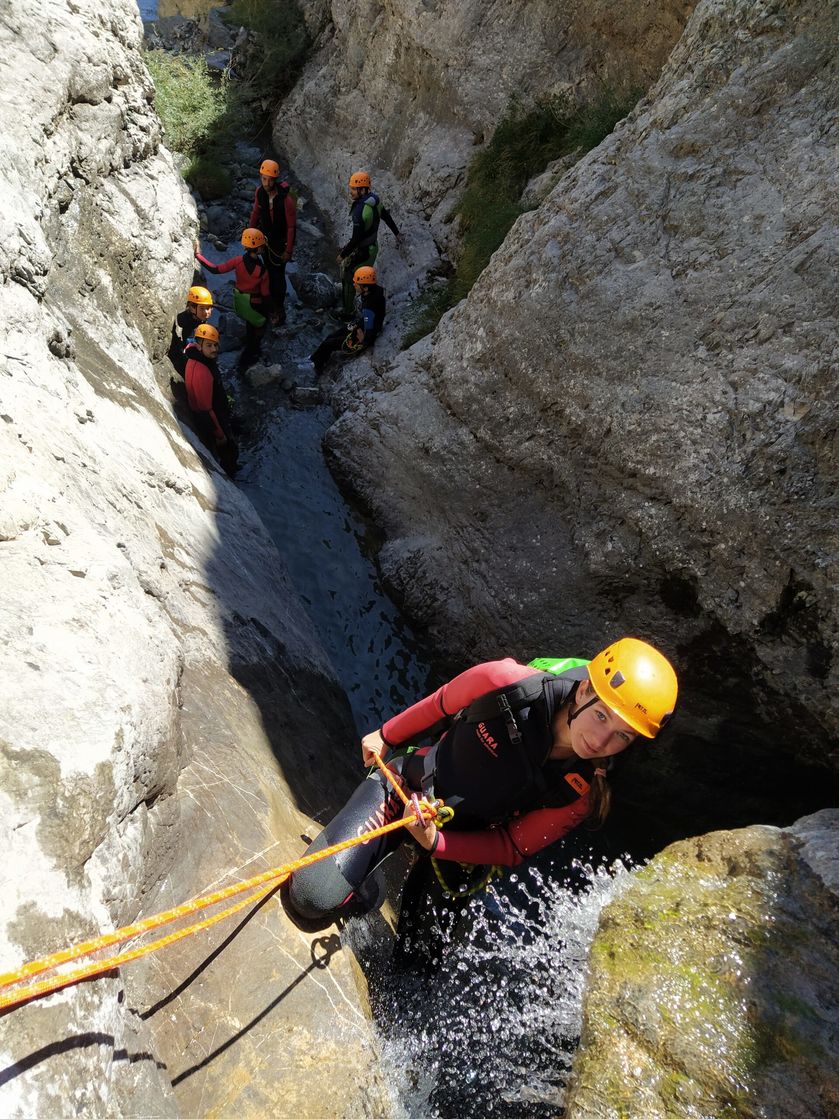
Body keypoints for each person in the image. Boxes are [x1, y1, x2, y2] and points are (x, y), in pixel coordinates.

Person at [286, 638, 678, 949]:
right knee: (310, 895)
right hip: (408, 787)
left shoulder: (581, 791)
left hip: (461, 844)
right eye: (601, 715)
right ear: (583, 691)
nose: (600, 740)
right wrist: (387, 735)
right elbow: (441, 704)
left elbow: (511, 846)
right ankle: (369, 892)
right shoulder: (507, 684)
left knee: (421, 960)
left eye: (622, 736)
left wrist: (437, 842)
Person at [195, 230, 270, 372]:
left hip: (240, 301)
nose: (263, 247)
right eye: (262, 245)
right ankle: (247, 361)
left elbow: (215, 269)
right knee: (259, 328)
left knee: (250, 327)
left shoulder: (238, 261)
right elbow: (265, 295)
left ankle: (250, 349)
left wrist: (198, 255)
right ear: (258, 248)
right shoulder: (262, 271)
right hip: (255, 304)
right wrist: (272, 311)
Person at [337, 171, 400, 317]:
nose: (350, 192)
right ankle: (366, 307)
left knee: (348, 277)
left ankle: (348, 313)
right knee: (363, 282)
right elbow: (386, 216)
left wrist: (342, 255)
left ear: (362, 189)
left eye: (353, 189)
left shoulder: (360, 210)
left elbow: (356, 239)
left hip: (364, 250)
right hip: (372, 248)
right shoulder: (374, 201)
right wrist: (396, 233)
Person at [305, 265, 386, 375]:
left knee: (330, 344)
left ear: (365, 288)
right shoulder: (373, 291)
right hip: (362, 324)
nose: (354, 285)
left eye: (357, 284)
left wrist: (363, 338)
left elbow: (370, 328)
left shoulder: (370, 305)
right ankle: (314, 358)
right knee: (331, 336)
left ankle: (317, 365)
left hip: (364, 334)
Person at [183, 323, 239, 475]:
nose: (214, 349)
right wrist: (219, 434)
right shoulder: (201, 370)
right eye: (209, 345)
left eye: (215, 345)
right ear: (199, 346)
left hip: (216, 411)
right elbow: (204, 408)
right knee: (230, 450)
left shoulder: (199, 360)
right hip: (213, 417)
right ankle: (230, 473)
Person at [249, 159, 297, 326]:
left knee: (278, 275)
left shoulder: (286, 200)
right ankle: (270, 303)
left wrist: (288, 251)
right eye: (264, 179)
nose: (267, 183)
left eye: (270, 179)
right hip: (266, 240)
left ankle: (279, 307)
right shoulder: (259, 192)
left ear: (275, 179)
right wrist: (250, 234)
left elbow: (291, 227)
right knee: (269, 272)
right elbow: (256, 213)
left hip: (280, 243)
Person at [168, 286, 214, 376]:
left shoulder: (197, 318)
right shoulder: (192, 329)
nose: (206, 312)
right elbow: (191, 350)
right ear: (192, 308)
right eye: (202, 308)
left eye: (208, 308)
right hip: (194, 364)